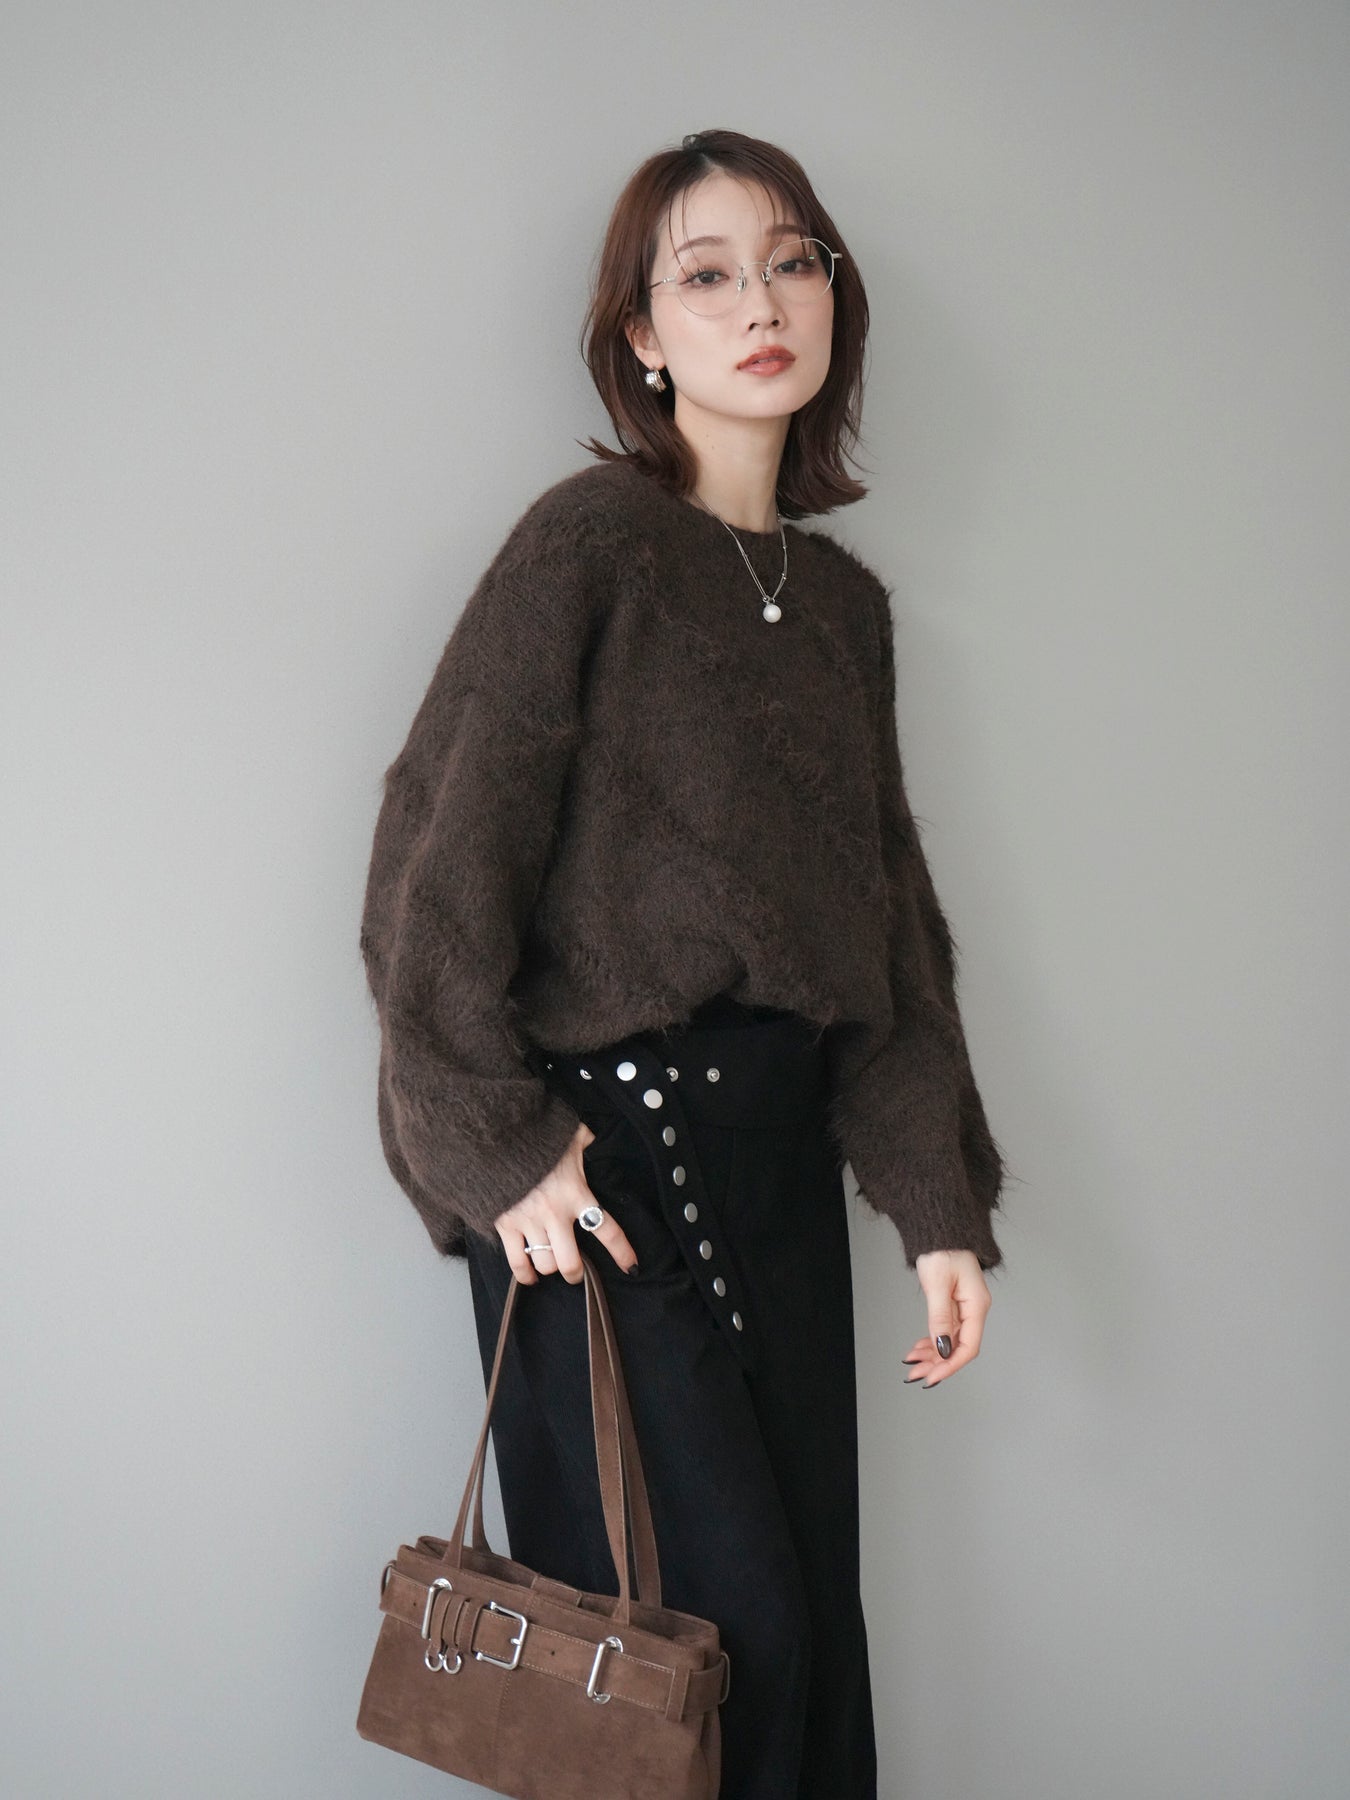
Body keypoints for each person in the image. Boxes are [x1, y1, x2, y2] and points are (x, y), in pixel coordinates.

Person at [359, 126, 1009, 1800]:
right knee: (676, 1673)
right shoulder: (589, 546)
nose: (760, 305)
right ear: (642, 336)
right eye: (706, 276)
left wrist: (935, 1202)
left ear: (834, 298)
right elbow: (432, 868)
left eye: (792, 263)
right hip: (601, 1177)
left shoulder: (841, 611)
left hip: (773, 1173)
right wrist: (496, 1144)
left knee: (804, 1669)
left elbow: (885, 940)